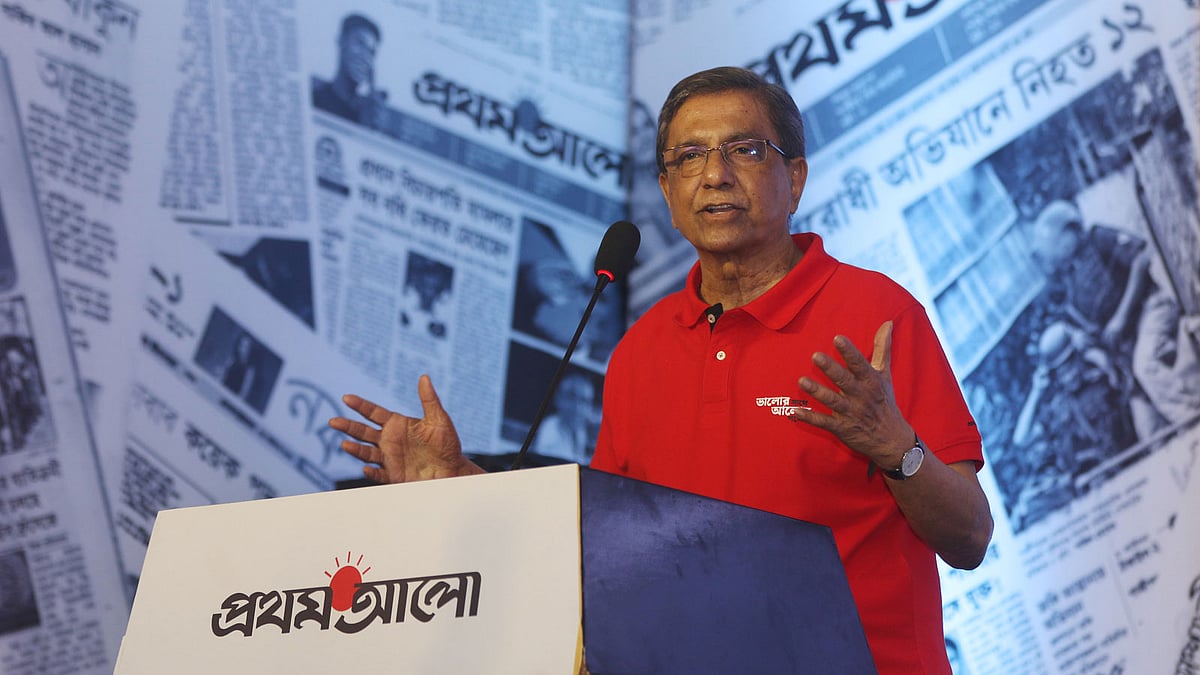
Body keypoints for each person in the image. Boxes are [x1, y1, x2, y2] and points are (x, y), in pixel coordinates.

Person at [329, 66, 993, 674]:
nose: (715, 174)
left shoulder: (876, 314)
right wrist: (462, 486)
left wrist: (896, 449)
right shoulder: (640, 351)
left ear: (795, 178)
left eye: (744, 150)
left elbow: (969, 538)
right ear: (668, 192)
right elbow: (600, 558)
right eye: (689, 156)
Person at [311, 14, 388, 129]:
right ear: (341, 41)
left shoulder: (368, 114)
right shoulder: (315, 99)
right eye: (360, 43)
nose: (365, 56)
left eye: (371, 52)